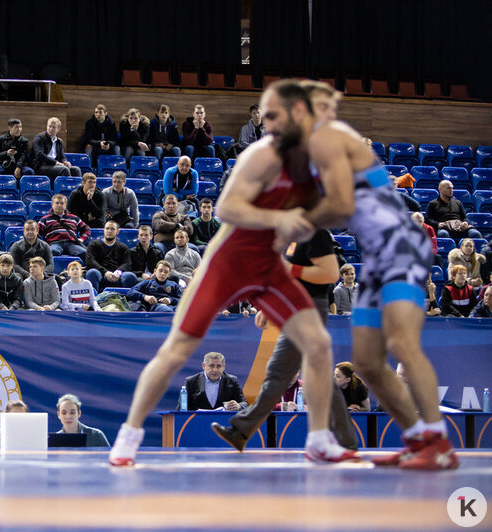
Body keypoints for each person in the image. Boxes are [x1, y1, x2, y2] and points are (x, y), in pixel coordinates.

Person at [109, 81, 357, 467]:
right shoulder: (262, 155)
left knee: (319, 345)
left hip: (269, 268)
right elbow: (227, 209)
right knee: (177, 350)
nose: (271, 122)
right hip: (228, 263)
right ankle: (129, 436)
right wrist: (284, 217)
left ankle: (320, 438)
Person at [273, 79, 458, 469]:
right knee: (368, 360)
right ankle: (416, 438)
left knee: (402, 343)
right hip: (376, 257)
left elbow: (338, 205)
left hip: (400, 245)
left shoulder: (334, 137)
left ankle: (438, 442)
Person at [179, 353, 248, 411]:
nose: (215, 370)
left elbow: (245, 403)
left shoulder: (232, 381)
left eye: (218, 366)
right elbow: (181, 408)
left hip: (223, 423)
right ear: (204, 366)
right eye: (211, 366)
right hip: (196, 422)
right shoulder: (191, 382)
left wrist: (239, 406)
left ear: (223, 367)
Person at [85, 220, 138, 291]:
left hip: (117, 276)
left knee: (130, 276)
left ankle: (128, 300)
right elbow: (90, 261)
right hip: (100, 274)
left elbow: (127, 263)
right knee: (92, 272)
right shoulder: (93, 244)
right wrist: (105, 272)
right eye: (107, 228)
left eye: (112, 229)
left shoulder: (123, 247)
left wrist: (118, 272)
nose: (109, 231)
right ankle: (94, 299)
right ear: (104, 230)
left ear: (117, 231)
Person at [38, 194, 90, 259]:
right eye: (57, 203)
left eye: (62, 203)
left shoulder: (74, 218)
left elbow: (86, 229)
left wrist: (82, 239)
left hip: (71, 243)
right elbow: (37, 234)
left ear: (65, 205)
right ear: (52, 205)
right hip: (54, 243)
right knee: (51, 252)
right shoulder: (44, 219)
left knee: (84, 253)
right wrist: (43, 246)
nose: (59, 205)